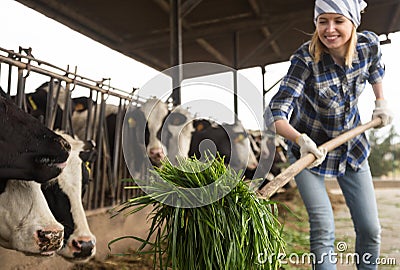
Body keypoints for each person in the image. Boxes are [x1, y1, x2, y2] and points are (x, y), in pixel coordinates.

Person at [268, 0, 392, 269]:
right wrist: (299, 140)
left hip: (352, 148)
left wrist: (380, 101)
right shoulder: (305, 59)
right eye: (323, 21)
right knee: (323, 228)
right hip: (309, 154)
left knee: (370, 229)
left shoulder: (368, 45)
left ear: (353, 23)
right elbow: (276, 113)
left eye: (339, 21)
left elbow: (375, 69)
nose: (330, 29)